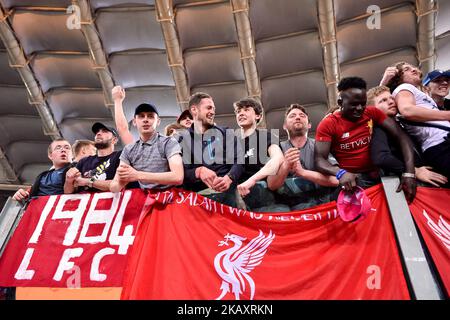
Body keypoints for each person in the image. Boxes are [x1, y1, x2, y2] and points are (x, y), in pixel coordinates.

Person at [315, 77, 416, 202]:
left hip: (382, 174)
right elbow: (319, 159)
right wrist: (340, 173)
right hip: (353, 181)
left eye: (362, 104)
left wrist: (410, 173)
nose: (359, 108)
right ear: (340, 102)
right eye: (353, 104)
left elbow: (401, 136)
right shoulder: (328, 124)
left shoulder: (372, 112)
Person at [368, 86, 447, 187]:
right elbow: (381, 158)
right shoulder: (378, 128)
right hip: (407, 186)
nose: (391, 102)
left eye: (391, 98)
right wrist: (414, 171)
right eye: (383, 100)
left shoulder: (402, 123)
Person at [177, 92, 244, 207]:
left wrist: (229, 178)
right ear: (194, 110)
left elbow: (240, 161)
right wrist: (198, 172)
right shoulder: (181, 140)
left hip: (228, 195)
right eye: (208, 108)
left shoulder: (226, 132)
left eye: (213, 108)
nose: (212, 112)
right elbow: (180, 174)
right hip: (199, 199)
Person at [385, 62, 450, 180]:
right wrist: (447, 115)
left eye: (413, 67)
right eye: (406, 69)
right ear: (397, 77)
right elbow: (407, 110)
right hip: (441, 145)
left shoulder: (415, 92)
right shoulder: (404, 87)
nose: (414, 69)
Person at [269, 104, 339, 210]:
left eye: (302, 115)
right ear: (284, 126)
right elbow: (271, 185)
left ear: (309, 125)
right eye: (292, 116)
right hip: (288, 207)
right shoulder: (277, 149)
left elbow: (336, 180)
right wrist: (285, 165)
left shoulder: (321, 145)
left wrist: (303, 173)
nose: (297, 117)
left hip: (320, 203)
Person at [110, 103, 183, 192]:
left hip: (170, 197)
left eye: (150, 116)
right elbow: (115, 186)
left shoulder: (169, 142)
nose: (145, 120)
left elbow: (178, 177)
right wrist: (121, 181)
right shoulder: (128, 149)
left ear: (158, 121)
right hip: (145, 198)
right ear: (134, 122)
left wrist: (137, 175)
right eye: (141, 116)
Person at [232, 97, 284, 210]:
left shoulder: (266, 137)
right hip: (233, 195)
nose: (241, 113)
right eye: (238, 111)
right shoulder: (229, 141)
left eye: (246, 110)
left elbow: (278, 158)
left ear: (258, 116)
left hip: (260, 193)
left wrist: (251, 181)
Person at [64, 123, 121, 193]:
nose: (98, 134)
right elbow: (67, 192)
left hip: (110, 202)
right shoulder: (84, 161)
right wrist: (68, 180)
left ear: (114, 140)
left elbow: (119, 184)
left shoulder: (120, 156)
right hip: (85, 203)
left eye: (104, 131)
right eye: (97, 132)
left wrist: (88, 181)